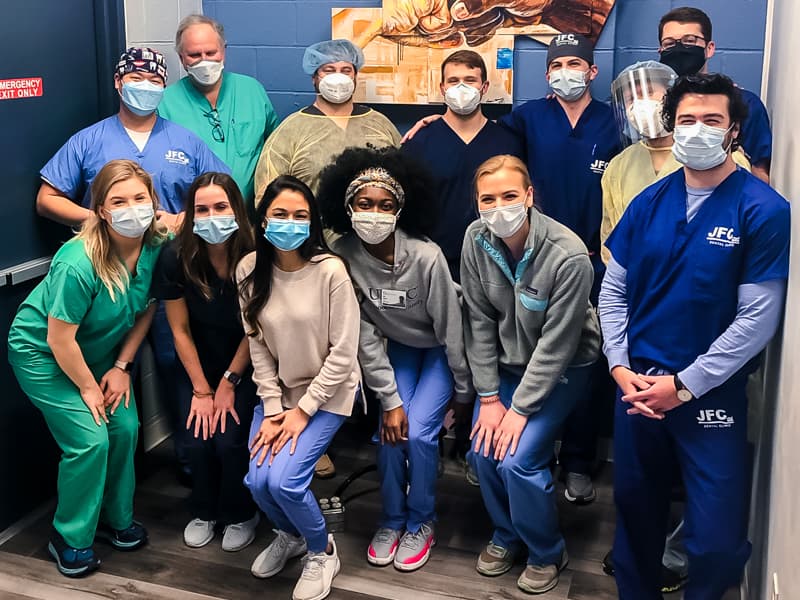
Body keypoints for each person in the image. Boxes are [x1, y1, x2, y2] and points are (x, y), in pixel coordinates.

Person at [403, 34, 620, 502]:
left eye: (574, 63)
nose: (566, 71)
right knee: (486, 350)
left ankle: (576, 461)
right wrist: (427, 123)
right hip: (486, 263)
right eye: (556, 63)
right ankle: (480, 450)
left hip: (575, 255)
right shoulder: (526, 119)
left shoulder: (608, 123)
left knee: (575, 357)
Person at [599, 73, 789, 599]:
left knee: (717, 542)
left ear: (733, 132)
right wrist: (619, 367)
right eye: (687, 120)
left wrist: (683, 385)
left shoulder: (764, 210)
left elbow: (758, 318)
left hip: (711, 397)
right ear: (671, 125)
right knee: (635, 520)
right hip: (636, 387)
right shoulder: (647, 203)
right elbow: (613, 292)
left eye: (712, 120)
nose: (697, 130)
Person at [8, 159, 169, 577]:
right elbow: (59, 339)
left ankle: (115, 520)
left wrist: (121, 366)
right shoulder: (78, 261)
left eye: (140, 198)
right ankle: (69, 536)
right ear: (101, 209)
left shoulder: (155, 245)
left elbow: (146, 310)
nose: (132, 207)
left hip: (99, 355)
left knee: (127, 428)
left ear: (154, 202)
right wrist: (87, 387)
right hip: (44, 355)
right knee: (91, 440)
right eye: (119, 200)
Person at [316, 147, 473, 572]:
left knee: (421, 435)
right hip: (398, 349)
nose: (374, 213)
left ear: (401, 209)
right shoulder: (343, 254)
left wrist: (463, 392)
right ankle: (392, 518)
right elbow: (363, 332)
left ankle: (422, 521)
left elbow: (451, 328)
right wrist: (389, 398)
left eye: (386, 205)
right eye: (364, 204)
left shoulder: (426, 256)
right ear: (347, 207)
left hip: (440, 349)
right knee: (391, 429)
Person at [462, 155, 600, 594]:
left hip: (564, 364)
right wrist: (488, 399)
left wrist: (518, 410)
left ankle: (546, 550)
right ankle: (507, 535)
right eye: (488, 199)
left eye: (508, 196)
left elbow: (557, 347)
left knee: (519, 459)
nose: (499, 206)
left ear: (529, 196)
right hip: (507, 362)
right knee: (484, 449)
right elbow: (478, 322)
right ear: (477, 204)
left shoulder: (569, 255)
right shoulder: (474, 240)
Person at [237, 175, 361, 600]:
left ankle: (322, 548)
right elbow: (258, 349)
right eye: (280, 215)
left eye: (300, 216)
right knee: (257, 482)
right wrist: (273, 410)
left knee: (286, 482)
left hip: (328, 394)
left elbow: (344, 355)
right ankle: (291, 535)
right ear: (263, 219)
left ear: (312, 223)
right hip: (280, 395)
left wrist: (302, 411)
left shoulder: (331, 271)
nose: (290, 223)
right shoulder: (249, 269)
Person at [152, 172, 260, 552]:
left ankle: (240, 512)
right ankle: (204, 510)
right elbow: (179, 329)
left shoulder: (255, 253)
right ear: (190, 215)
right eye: (201, 209)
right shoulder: (175, 256)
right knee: (197, 440)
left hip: (245, 363)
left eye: (220, 207)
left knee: (230, 441)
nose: (211, 216)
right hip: (196, 362)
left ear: (236, 210)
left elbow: (256, 329)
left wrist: (228, 383)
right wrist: (201, 388)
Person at [36, 47, 230, 230]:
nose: (145, 86)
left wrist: (182, 219)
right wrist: (98, 218)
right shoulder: (88, 141)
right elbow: (46, 199)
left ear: (163, 87)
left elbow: (227, 194)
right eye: (135, 78)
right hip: (107, 252)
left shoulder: (186, 142)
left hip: (171, 251)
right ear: (118, 81)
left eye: (154, 81)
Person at [401, 50, 524, 281]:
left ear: (484, 87)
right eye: (453, 81)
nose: (461, 88)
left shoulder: (508, 142)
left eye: (470, 81)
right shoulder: (418, 142)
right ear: (442, 88)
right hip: (434, 265)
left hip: (495, 263)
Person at [253, 39, 401, 200]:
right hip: (314, 225)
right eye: (329, 70)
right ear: (314, 77)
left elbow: (406, 181)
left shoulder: (380, 125)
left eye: (346, 70)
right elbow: (267, 196)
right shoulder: (290, 131)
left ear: (355, 76)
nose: (338, 77)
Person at [158, 15, 280, 205]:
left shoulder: (251, 90)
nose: (204, 61)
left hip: (249, 219)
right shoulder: (166, 103)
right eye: (194, 55)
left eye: (211, 52)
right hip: (193, 218)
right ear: (181, 58)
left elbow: (276, 148)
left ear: (223, 51)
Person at [657, 6, 772, 183]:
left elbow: (760, 175)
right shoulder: (652, 107)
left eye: (690, 41)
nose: (680, 49)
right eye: (670, 43)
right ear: (660, 51)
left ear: (709, 48)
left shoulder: (745, 103)